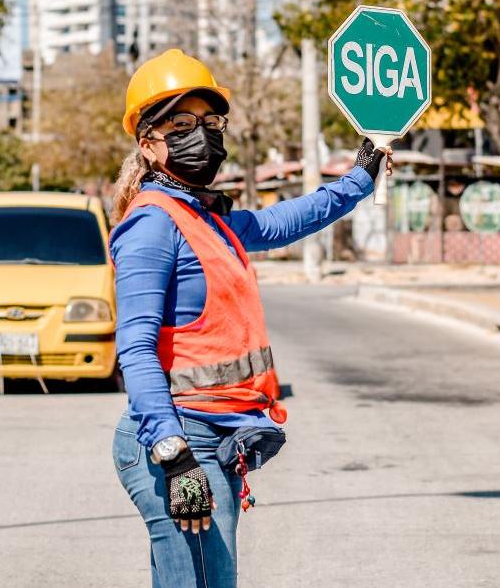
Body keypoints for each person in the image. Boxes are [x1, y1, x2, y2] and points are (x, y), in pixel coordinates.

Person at [109, 49, 391, 588]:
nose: (203, 134)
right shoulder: (150, 225)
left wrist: (361, 174)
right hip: (179, 439)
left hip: (215, 436)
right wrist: (174, 455)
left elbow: (284, 220)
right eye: (182, 123)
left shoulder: (207, 217)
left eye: (211, 122)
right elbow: (136, 350)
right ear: (147, 141)